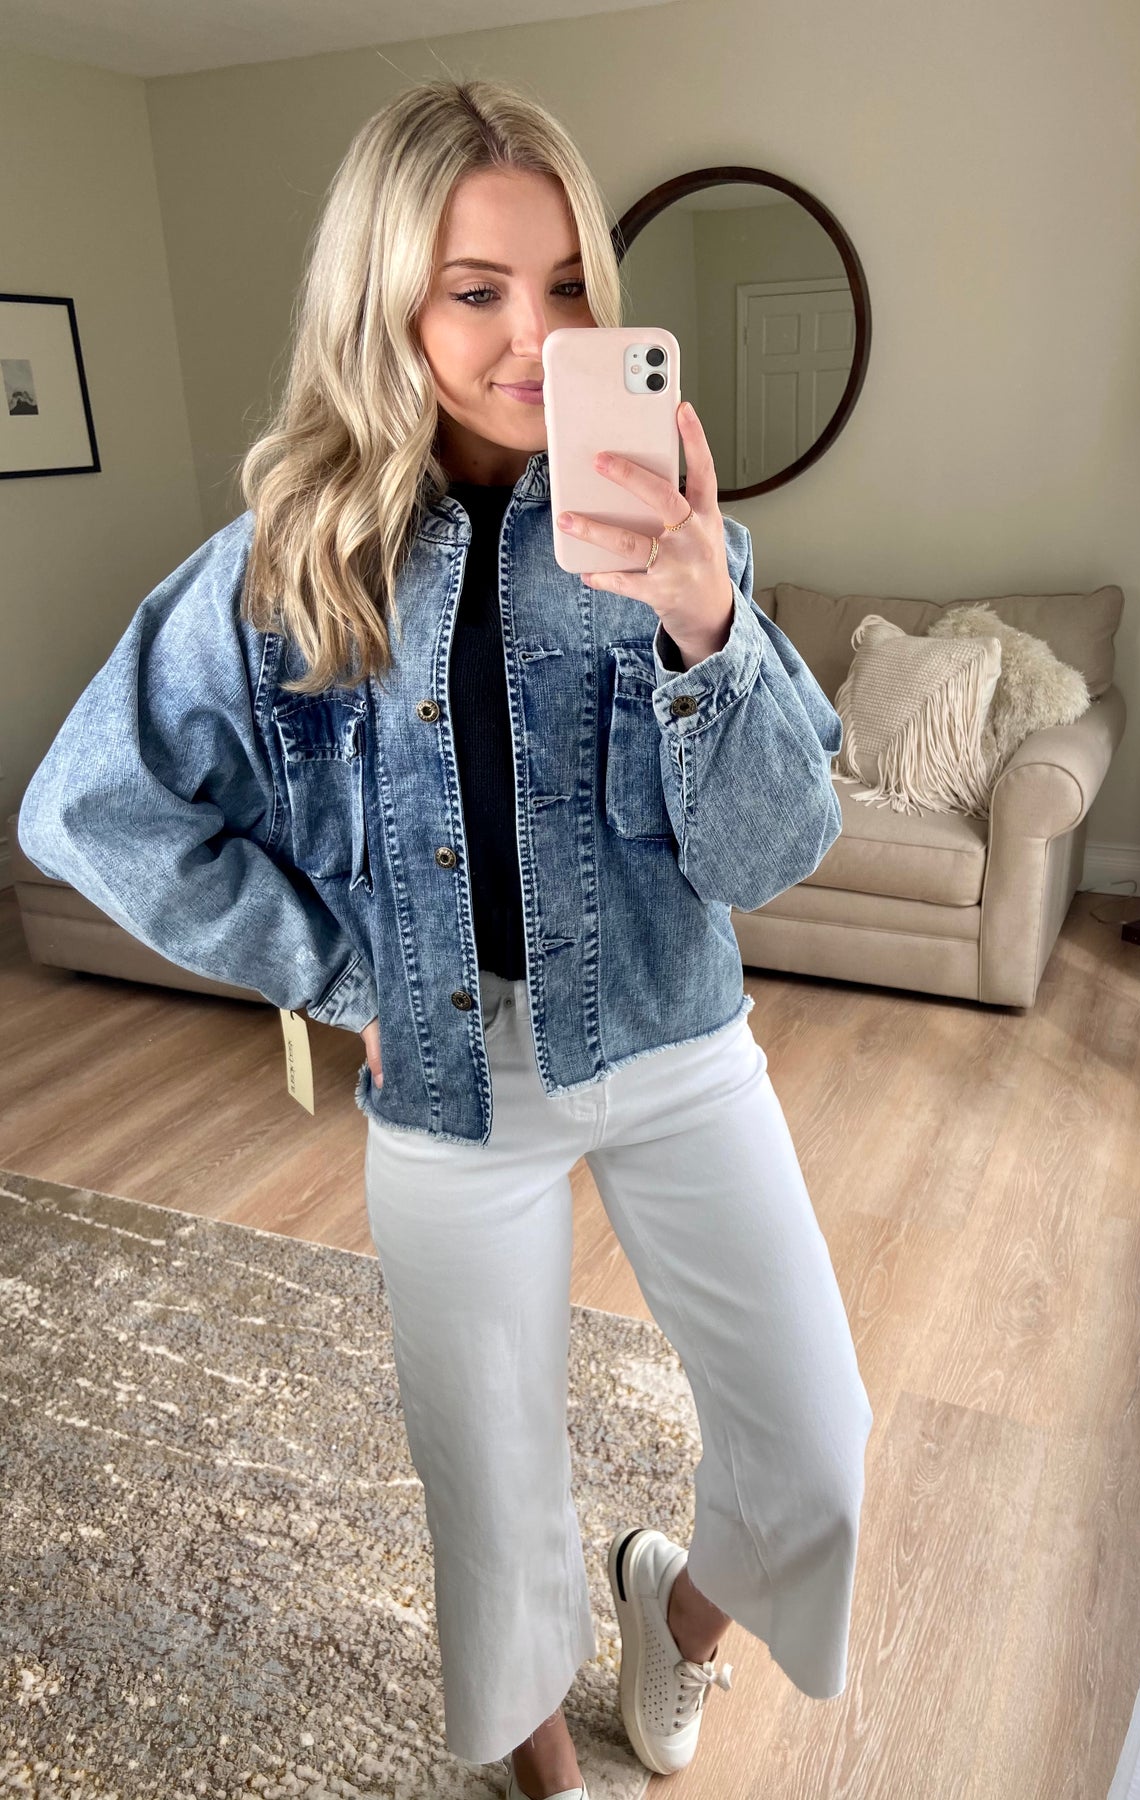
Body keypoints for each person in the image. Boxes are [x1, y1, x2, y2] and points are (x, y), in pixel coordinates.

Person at [17, 77, 873, 1800]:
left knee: (815, 1452)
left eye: (563, 287)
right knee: (487, 1495)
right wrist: (335, 972)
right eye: (474, 289)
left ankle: (674, 1615)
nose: (529, 335)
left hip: (673, 1037)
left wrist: (704, 616)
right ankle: (538, 1761)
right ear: (384, 302)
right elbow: (88, 806)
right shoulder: (284, 564)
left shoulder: (667, 537)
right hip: (447, 1089)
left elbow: (767, 852)